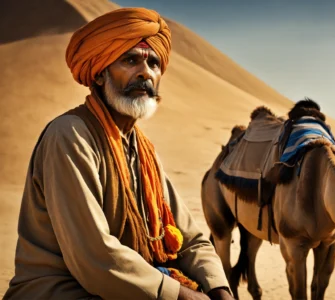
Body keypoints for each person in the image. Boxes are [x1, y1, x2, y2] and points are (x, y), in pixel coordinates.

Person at [4, 7, 233, 300]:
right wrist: (180, 295)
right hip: (61, 290)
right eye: (130, 60)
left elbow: (190, 241)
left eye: (153, 63)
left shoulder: (144, 153)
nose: (145, 72)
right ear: (99, 74)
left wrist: (219, 289)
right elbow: (95, 256)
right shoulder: (70, 135)